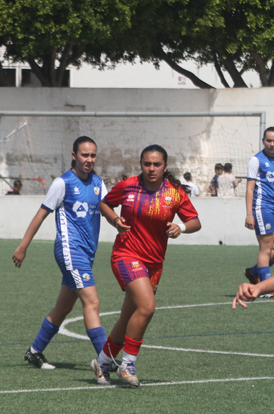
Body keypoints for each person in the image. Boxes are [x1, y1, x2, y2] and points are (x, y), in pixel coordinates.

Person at [94, 144, 201, 387]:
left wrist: (180, 227)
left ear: (165, 166)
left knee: (128, 317)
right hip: (126, 255)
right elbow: (104, 204)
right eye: (146, 164)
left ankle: (101, 362)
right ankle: (127, 364)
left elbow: (195, 221)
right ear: (140, 164)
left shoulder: (174, 193)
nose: (151, 169)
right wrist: (115, 220)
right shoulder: (128, 185)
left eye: (157, 164)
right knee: (147, 307)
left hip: (154, 264)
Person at [12, 136, 108, 374]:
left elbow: (108, 209)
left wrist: (121, 222)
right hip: (69, 250)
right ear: (74, 156)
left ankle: (35, 351)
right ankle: (106, 360)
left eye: (93, 155)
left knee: (64, 307)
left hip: (85, 253)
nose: (89, 160)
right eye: (84, 155)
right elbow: (40, 215)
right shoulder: (62, 183)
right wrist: (23, 246)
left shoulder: (98, 183)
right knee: (92, 302)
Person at [242, 127, 274, 290]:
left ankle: (254, 272)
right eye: (269, 140)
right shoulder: (256, 160)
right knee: (266, 248)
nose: (272, 144)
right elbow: (249, 189)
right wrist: (249, 214)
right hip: (264, 208)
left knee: (270, 250)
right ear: (263, 141)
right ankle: (266, 287)